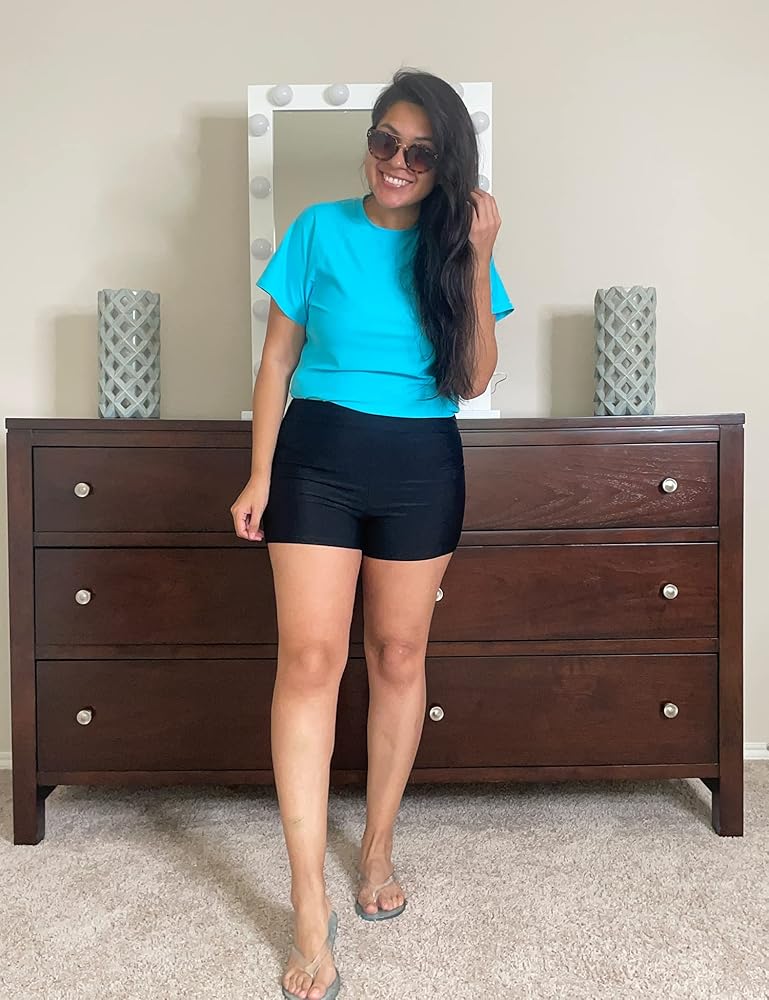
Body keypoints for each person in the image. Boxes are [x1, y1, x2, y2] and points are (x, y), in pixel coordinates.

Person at [230, 67, 514, 1000]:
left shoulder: (454, 247)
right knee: (309, 662)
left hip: (421, 463)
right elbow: (275, 363)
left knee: (396, 655)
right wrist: (260, 473)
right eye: (384, 141)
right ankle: (308, 907)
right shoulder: (317, 229)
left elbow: (473, 379)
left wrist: (477, 256)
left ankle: (377, 847)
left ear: (445, 164)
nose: (397, 161)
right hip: (316, 457)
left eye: (419, 152)